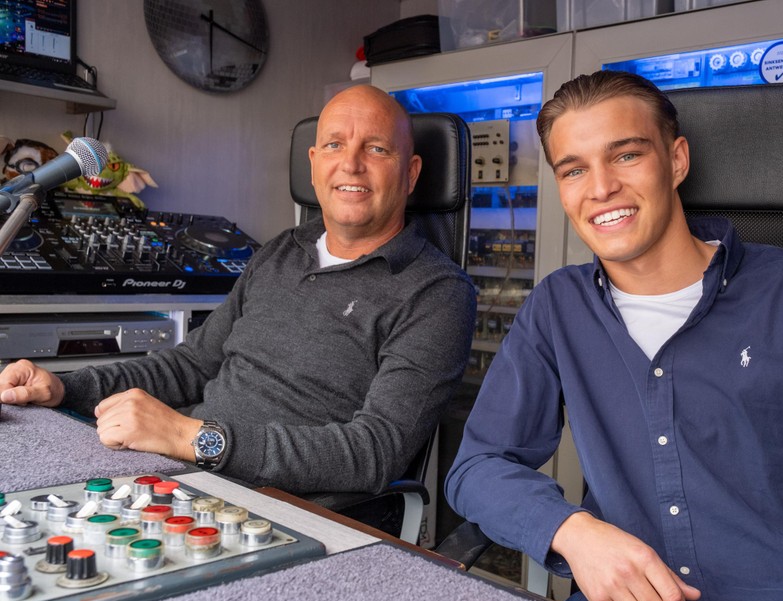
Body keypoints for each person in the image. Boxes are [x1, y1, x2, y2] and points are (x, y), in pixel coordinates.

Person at [445, 70, 783, 601]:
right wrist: (572, 531)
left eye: (626, 156)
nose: (600, 188)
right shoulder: (557, 309)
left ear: (677, 160)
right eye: (574, 169)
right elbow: (478, 468)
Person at [0, 85, 476, 501]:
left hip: (287, 509)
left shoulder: (437, 294)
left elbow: (375, 452)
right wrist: (66, 388)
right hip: (185, 479)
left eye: (376, 149)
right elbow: (190, 365)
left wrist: (193, 438)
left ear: (411, 173)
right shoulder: (281, 253)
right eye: (334, 144)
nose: (350, 163)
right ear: (313, 165)